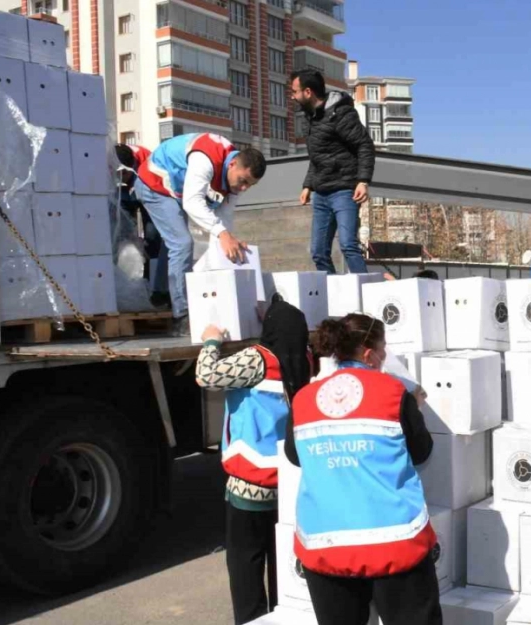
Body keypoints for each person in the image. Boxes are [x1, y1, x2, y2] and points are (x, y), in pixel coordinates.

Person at [283, 313, 441, 625]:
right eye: (383, 350)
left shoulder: (303, 399)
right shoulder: (394, 394)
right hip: (394, 542)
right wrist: (414, 410)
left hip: (324, 546)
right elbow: (422, 452)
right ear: (368, 354)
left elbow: (294, 455)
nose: (385, 358)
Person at [195, 295, 311, 624]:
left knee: (246, 563)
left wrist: (211, 340)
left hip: (249, 485)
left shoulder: (257, 359)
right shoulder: (303, 357)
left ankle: (251, 620)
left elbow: (206, 376)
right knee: (280, 562)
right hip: (286, 482)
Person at [134, 133, 266, 335]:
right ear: (232, 165)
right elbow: (192, 203)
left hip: (176, 191)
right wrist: (223, 235)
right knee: (182, 243)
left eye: (250, 185)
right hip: (153, 184)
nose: (244, 188)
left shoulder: (234, 179)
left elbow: (223, 220)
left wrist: (226, 247)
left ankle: (160, 295)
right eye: (243, 181)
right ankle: (182, 315)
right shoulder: (206, 159)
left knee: (176, 241)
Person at [291, 69, 376, 275]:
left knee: (348, 245)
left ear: (308, 92)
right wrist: (308, 185)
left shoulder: (341, 114)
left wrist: (363, 180)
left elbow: (365, 145)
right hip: (321, 192)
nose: (292, 96)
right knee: (318, 252)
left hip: (344, 190)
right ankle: (333, 293)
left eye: (294, 91)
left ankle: (366, 293)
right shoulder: (309, 118)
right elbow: (318, 155)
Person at [115, 143, 166, 306]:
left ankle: (153, 287)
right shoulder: (112, 161)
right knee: (122, 234)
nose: (122, 177)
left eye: (125, 174)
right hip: (122, 193)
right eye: (119, 174)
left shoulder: (149, 164)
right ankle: (125, 281)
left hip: (149, 189)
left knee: (152, 236)